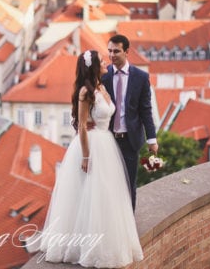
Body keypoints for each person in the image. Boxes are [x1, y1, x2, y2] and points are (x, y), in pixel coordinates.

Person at [35, 50, 143, 268]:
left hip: (106, 142)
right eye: (101, 61)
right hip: (92, 145)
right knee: (88, 195)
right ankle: (85, 247)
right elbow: (83, 126)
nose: (106, 62)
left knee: (105, 195)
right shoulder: (85, 92)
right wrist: (86, 156)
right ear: (93, 66)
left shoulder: (101, 87)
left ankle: (104, 242)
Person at [102, 34, 158, 210]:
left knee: (128, 185)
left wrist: (152, 139)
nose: (111, 55)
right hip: (108, 140)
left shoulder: (140, 77)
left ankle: (129, 223)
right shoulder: (103, 76)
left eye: (116, 51)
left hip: (130, 140)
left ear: (127, 52)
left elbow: (145, 110)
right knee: (108, 184)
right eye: (109, 51)